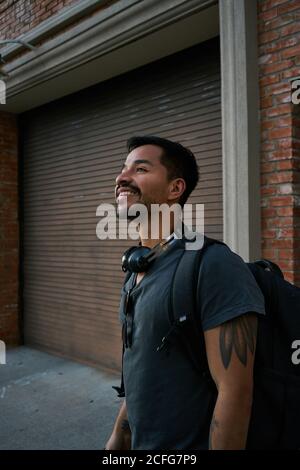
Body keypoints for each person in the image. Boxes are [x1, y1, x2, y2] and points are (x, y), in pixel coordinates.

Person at [105, 136, 265, 450]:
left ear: (175, 189)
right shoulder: (138, 268)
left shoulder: (213, 265)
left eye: (140, 169)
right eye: (123, 169)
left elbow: (235, 394)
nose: (121, 178)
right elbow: (146, 369)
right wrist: (119, 436)